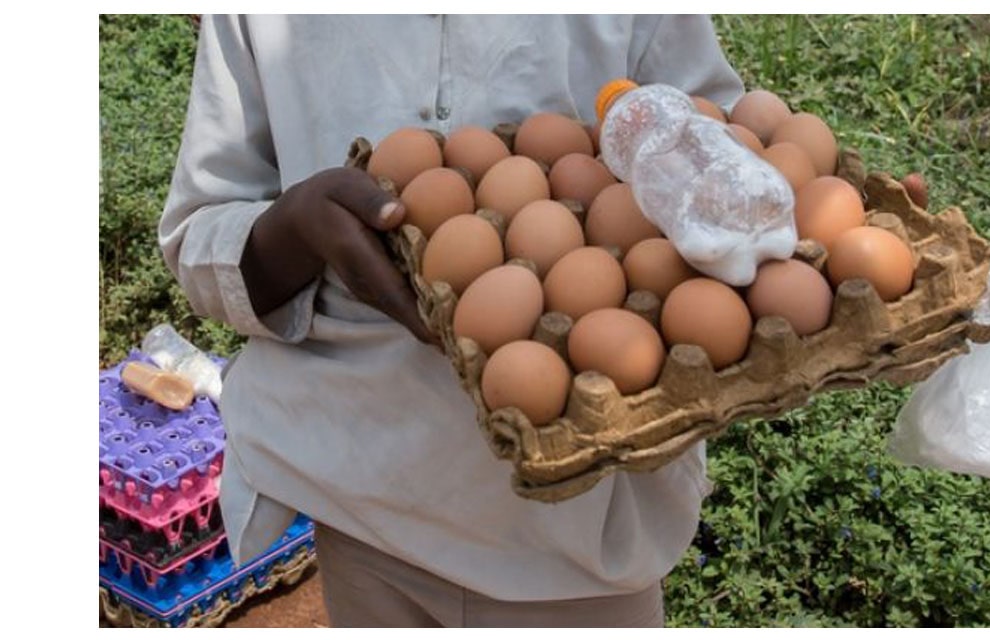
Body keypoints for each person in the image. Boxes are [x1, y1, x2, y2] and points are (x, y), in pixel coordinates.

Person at [159, 14, 744, 628]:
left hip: (586, 530)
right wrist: (294, 227)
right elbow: (202, 221)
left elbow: (721, 150)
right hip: (365, 504)